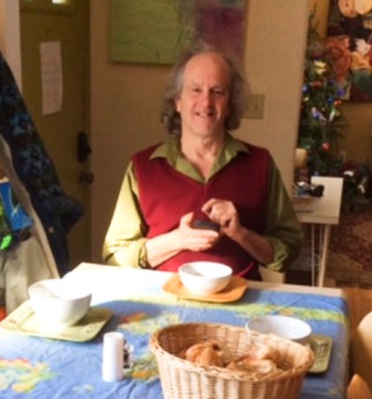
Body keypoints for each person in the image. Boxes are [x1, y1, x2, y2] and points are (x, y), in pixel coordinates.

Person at [101, 43, 303, 281]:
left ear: (230, 105)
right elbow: (115, 254)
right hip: (164, 301)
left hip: (240, 302)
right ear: (178, 101)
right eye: (195, 90)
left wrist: (240, 234)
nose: (206, 103)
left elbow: (289, 249)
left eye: (217, 92)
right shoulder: (143, 167)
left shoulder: (260, 164)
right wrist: (177, 240)